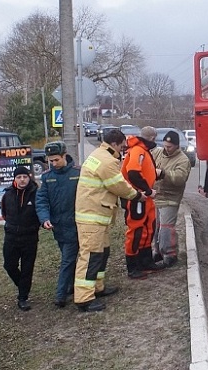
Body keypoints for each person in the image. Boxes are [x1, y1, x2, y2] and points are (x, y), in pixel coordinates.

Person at [74, 128, 143, 312]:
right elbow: (118, 186)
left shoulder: (100, 154)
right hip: (92, 217)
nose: (123, 149)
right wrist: (138, 196)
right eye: (121, 146)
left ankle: (97, 287)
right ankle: (83, 298)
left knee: (102, 252)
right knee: (91, 256)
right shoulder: (107, 161)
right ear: (114, 144)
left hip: (97, 215)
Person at [35, 141, 82, 308]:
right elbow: (41, 200)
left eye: (56, 160)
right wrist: (44, 218)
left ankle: (61, 294)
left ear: (64, 156)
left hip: (75, 225)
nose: (53, 164)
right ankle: (71, 286)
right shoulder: (47, 177)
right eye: (50, 161)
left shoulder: (78, 173)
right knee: (68, 259)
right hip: (58, 226)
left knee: (67, 260)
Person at [121, 125, 163, 278]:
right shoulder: (138, 151)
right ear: (152, 138)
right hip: (137, 198)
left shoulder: (143, 151)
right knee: (136, 231)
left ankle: (145, 262)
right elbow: (133, 174)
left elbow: (143, 172)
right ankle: (133, 267)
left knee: (148, 229)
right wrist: (147, 190)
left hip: (145, 198)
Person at [1, 166, 40, 311]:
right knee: (9, 265)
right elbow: (4, 213)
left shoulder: (36, 193)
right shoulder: (8, 194)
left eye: (24, 177)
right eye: (19, 177)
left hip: (29, 237)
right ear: (14, 179)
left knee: (27, 269)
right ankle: (23, 285)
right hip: (11, 236)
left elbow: (41, 211)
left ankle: (23, 297)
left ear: (29, 177)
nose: (22, 180)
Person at [151, 130, 191, 268]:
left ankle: (170, 255)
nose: (166, 149)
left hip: (170, 198)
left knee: (166, 228)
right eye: (165, 146)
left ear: (177, 146)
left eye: (170, 147)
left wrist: (163, 174)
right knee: (156, 227)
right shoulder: (158, 153)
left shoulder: (183, 160)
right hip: (156, 196)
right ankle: (157, 252)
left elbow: (180, 178)